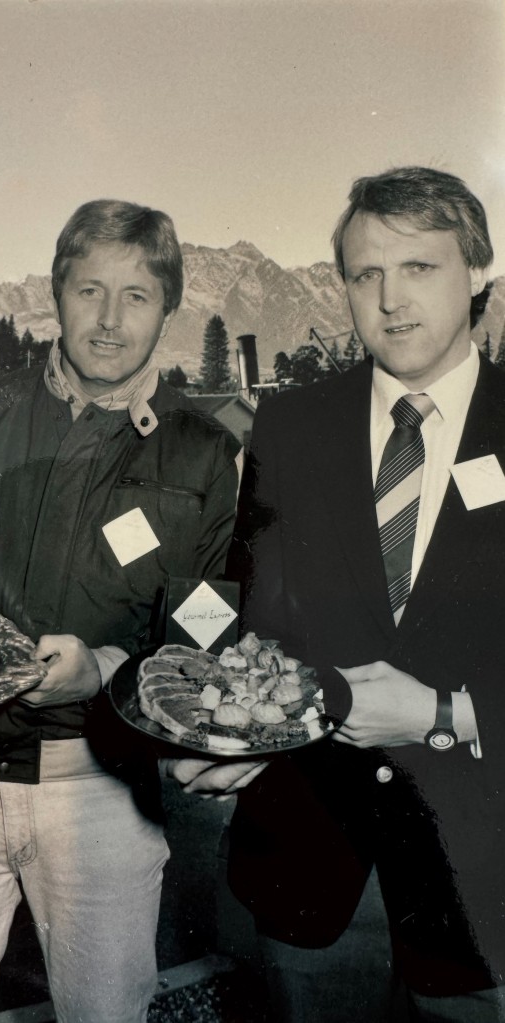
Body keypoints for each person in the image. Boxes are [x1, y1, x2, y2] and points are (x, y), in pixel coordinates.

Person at [0, 199, 242, 1023]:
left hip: (100, 789)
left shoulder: (205, 455)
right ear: (55, 294)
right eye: (88, 289)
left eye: (136, 296)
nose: (108, 319)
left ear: (166, 310)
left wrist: (102, 668)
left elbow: (205, 635)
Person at [169, 167, 505, 1021]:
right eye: (365, 275)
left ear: (480, 273)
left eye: (420, 268)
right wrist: (195, 706)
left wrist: (448, 711)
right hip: (312, 875)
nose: (390, 300)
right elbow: (230, 594)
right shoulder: (290, 425)